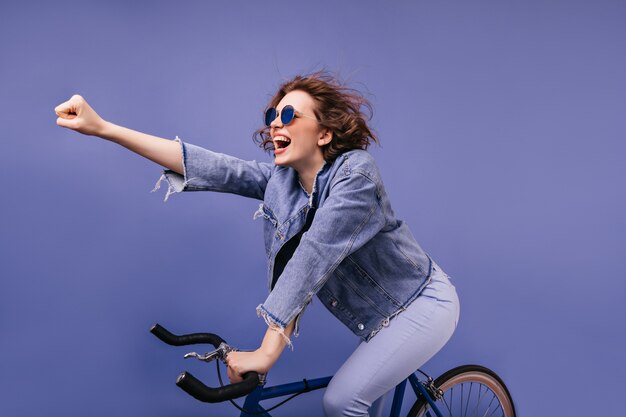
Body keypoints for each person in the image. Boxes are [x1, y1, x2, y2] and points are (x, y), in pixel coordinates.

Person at [54, 71, 460, 417]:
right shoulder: (282, 183)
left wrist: (268, 352)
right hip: (376, 319)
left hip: (423, 305)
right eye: (272, 115)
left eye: (288, 115)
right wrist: (103, 128)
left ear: (324, 133)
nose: (275, 124)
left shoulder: (357, 175)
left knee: (341, 401)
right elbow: (211, 166)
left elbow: (315, 252)